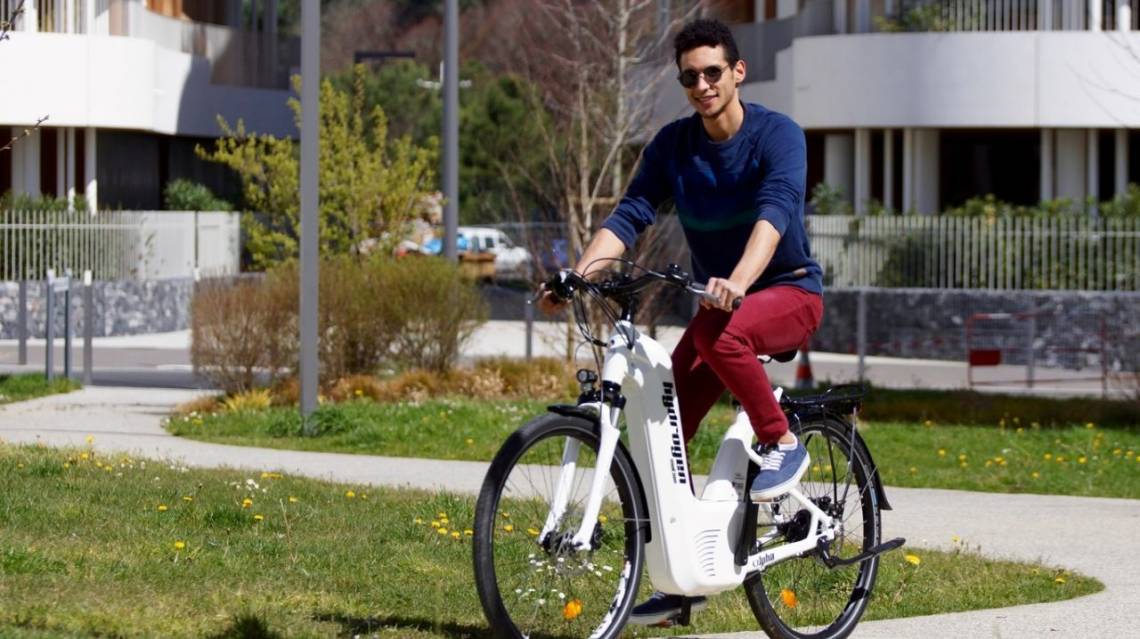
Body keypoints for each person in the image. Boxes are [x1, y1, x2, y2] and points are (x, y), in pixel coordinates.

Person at [537, 17, 824, 626]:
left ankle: (782, 442)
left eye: (713, 72)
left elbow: (774, 215)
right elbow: (631, 213)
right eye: (690, 76)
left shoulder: (779, 136)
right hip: (722, 307)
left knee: (724, 332)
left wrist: (741, 280)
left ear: (737, 72)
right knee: (660, 434)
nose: (702, 84)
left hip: (788, 293)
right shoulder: (674, 146)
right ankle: (678, 581)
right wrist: (578, 275)